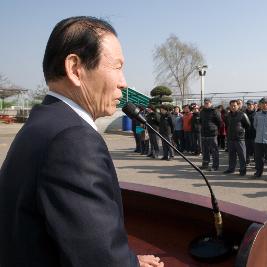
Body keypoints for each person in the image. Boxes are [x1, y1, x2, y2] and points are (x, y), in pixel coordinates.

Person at [0, 16, 163, 267]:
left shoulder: (43, 122)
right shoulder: (72, 140)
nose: (124, 82)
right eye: (117, 67)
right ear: (76, 68)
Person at [224, 100, 250, 176]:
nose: (233, 107)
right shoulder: (228, 115)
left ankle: (243, 170)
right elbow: (227, 124)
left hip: (240, 139)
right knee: (231, 155)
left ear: (238, 106)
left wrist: (241, 132)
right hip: (230, 138)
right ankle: (231, 169)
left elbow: (248, 125)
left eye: (235, 105)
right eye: (231, 105)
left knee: (242, 156)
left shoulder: (242, 114)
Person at [199, 98, 221, 170]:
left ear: (211, 103)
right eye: (205, 103)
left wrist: (214, 128)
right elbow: (200, 121)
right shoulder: (202, 111)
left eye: (208, 103)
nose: (206, 104)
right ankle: (205, 164)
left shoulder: (215, 111)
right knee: (205, 151)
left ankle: (215, 166)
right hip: (204, 133)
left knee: (214, 150)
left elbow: (220, 122)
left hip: (212, 134)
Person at [244, 100, 256, 164]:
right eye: (248, 105)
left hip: (255, 135)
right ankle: (247, 160)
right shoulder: (244, 114)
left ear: (253, 106)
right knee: (246, 149)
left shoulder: (257, 114)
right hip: (246, 134)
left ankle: (256, 161)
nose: (249, 106)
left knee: (256, 150)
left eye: (250, 105)